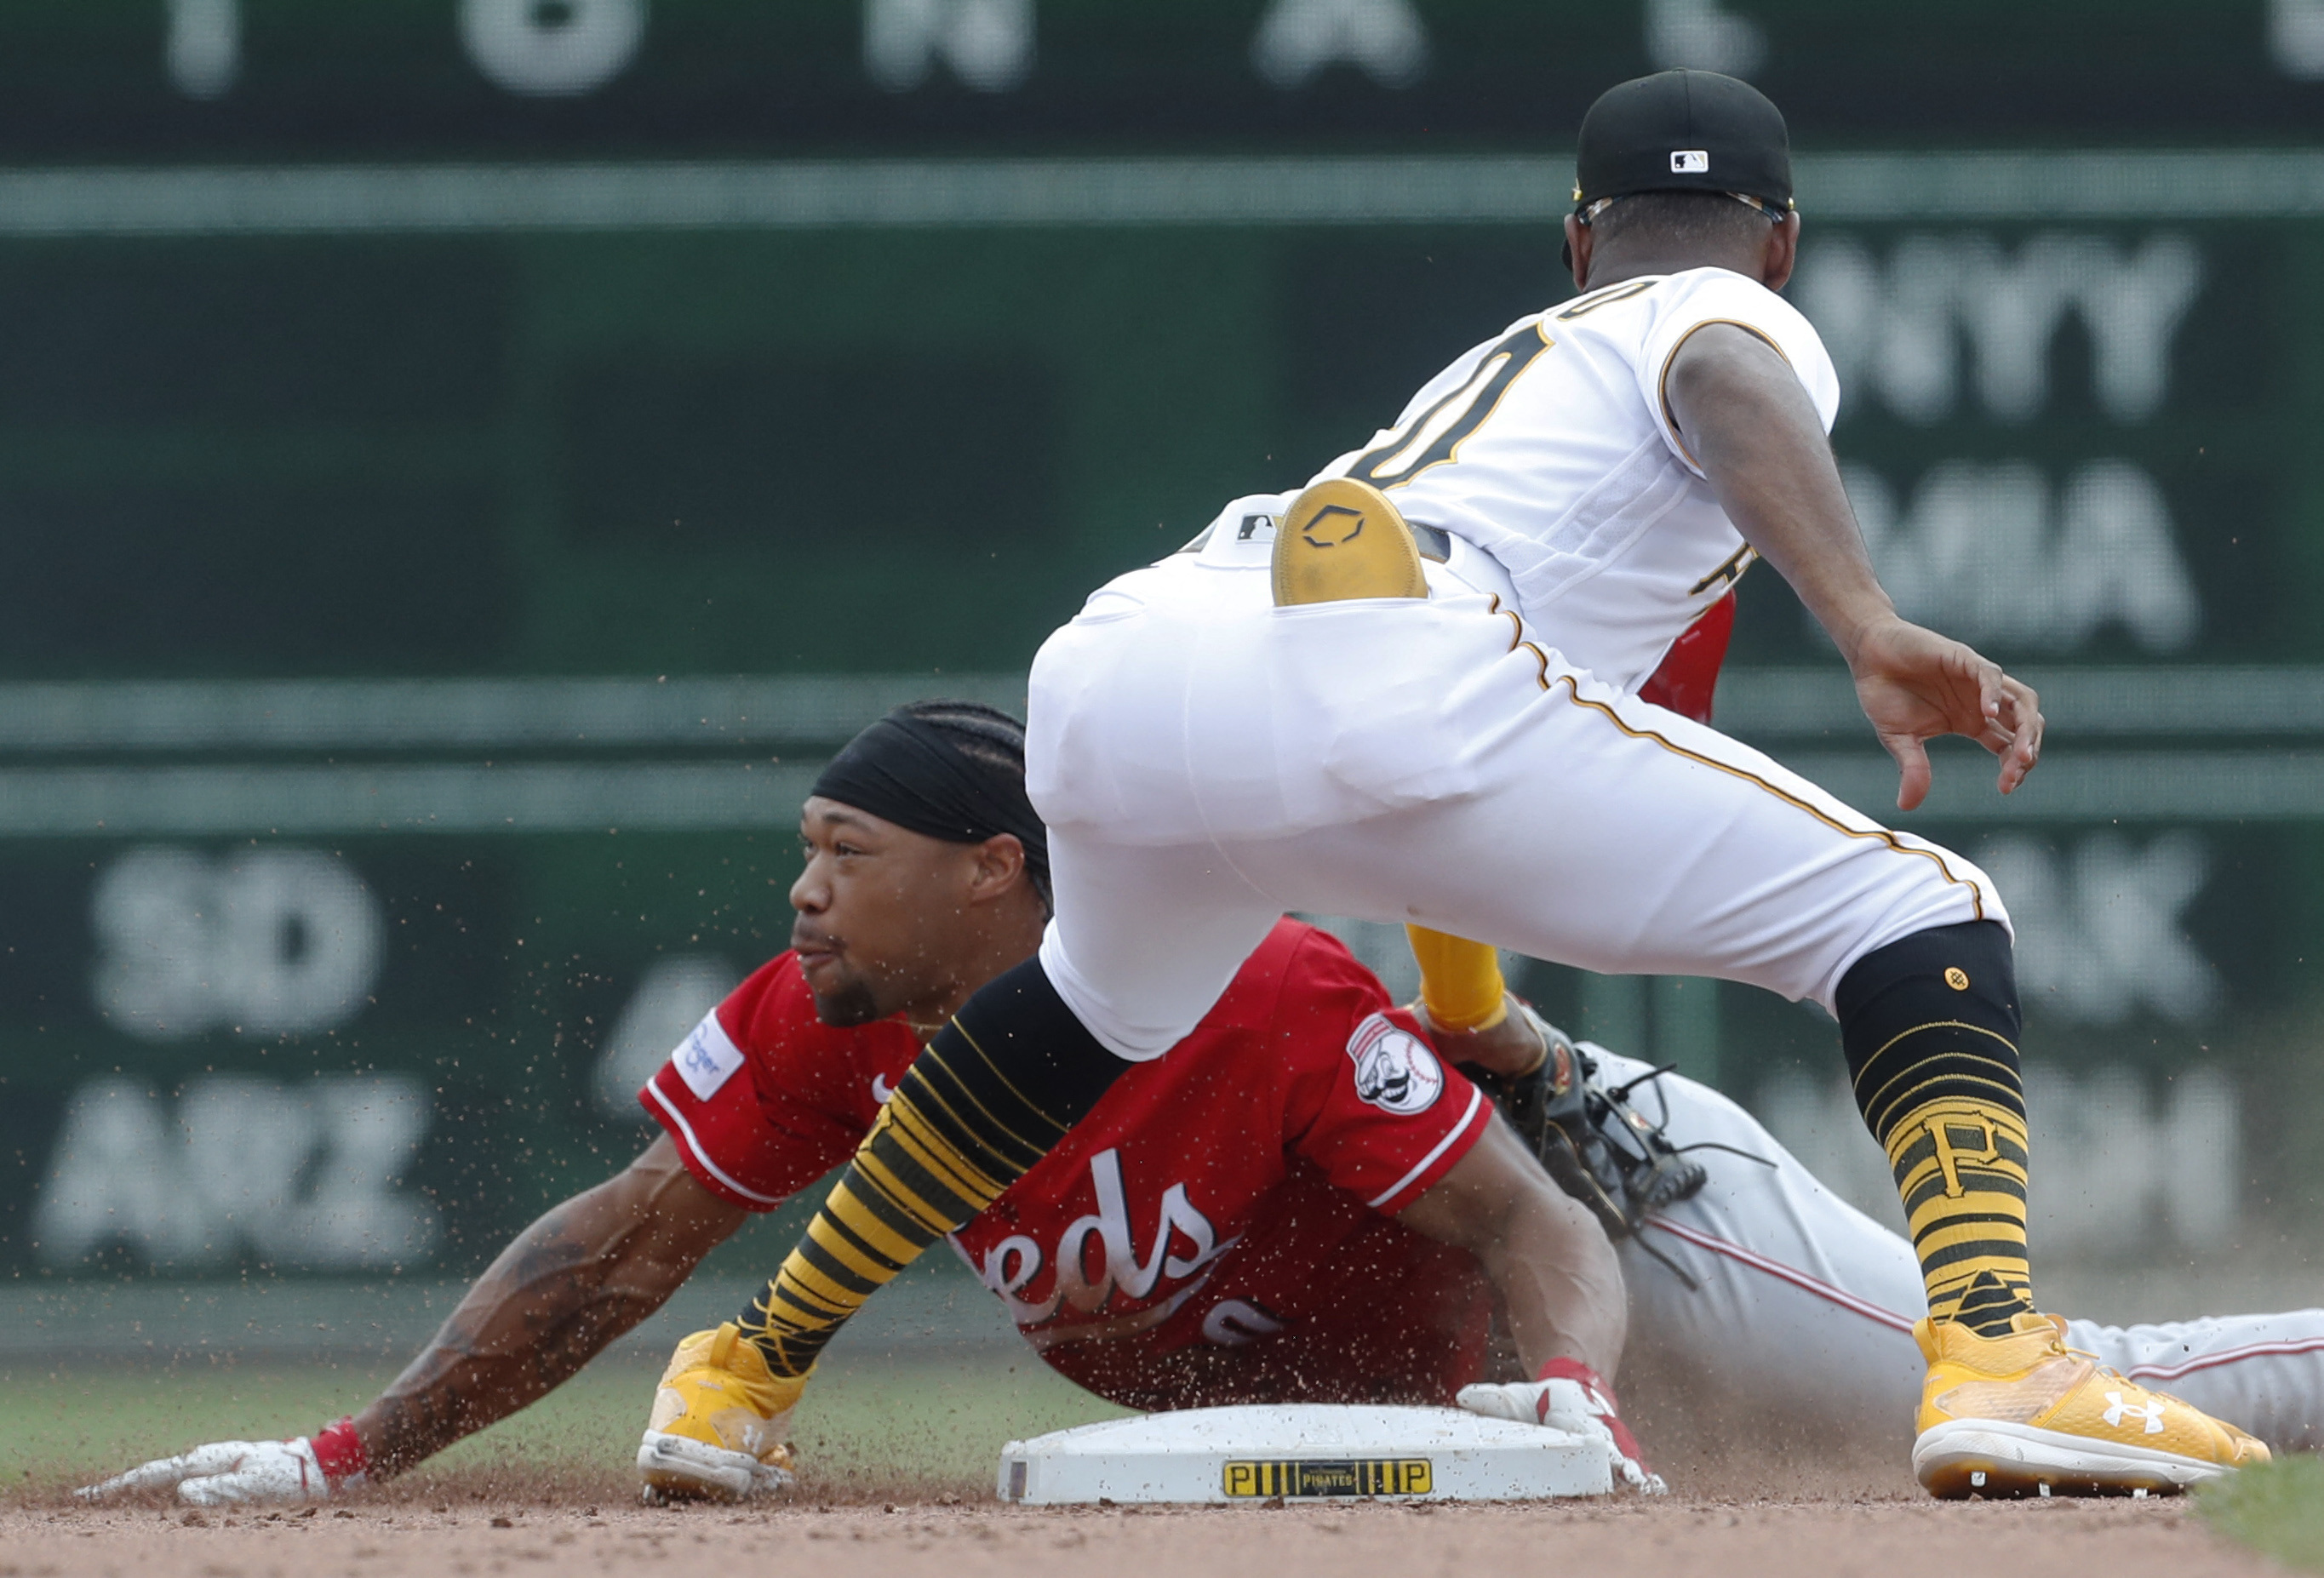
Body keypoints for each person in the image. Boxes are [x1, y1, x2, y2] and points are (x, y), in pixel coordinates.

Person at [709, 69, 2263, 1498]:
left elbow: (1431, 806)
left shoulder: (1505, 381)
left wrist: (1471, 1022)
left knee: (1080, 1008)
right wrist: (1862, 621)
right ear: (1778, 242)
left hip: (1131, 659)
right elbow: (1721, 367)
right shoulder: (1719, 315)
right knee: (1924, 904)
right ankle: (1996, 1346)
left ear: (1575, 236)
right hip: (1384, 640)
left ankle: (740, 1374)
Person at [80, 706, 2320, 1509]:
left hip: (1622, 1230)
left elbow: (1528, 1230)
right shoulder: (817, 1014)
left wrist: (1563, 1396)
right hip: (1401, 1381)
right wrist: (347, 1454)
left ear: (999, 875)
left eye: (842, 849)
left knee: (2043, 1397)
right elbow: (625, 1242)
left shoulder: (1253, 985)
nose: (801, 888)